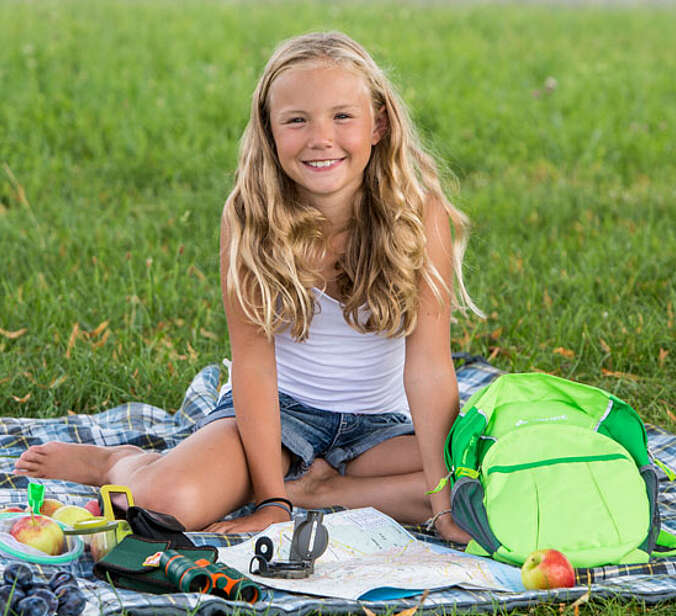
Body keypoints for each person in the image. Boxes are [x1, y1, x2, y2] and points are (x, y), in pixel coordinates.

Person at [14, 31, 479, 543]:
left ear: (378, 124)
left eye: (342, 116)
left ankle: (323, 492)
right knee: (165, 503)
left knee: (483, 479)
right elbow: (254, 364)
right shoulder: (250, 217)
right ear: (269, 130)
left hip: (383, 430)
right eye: (297, 120)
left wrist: (442, 508)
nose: (320, 138)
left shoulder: (419, 213)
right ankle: (120, 462)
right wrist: (272, 501)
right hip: (276, 416)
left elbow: (431, 368)